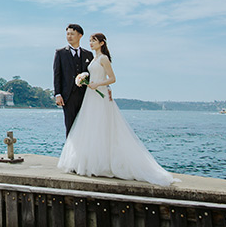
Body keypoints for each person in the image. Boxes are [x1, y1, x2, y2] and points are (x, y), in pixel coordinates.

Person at [57, 33, 178, 186]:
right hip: (91, 96)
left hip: (99, 95)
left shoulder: (103, 58)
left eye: (94, 41)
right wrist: (84, 79)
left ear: (102, 43)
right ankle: (89, 162)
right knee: (90, 127)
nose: (91, 43)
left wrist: (98, 84)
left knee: (102, 127)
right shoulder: (93, 58)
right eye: (90, 41)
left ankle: (103, 163)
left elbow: (112, 78)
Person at [53, 24, 94, 136]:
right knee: (70, 125)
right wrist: (58, 94)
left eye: (72, 34)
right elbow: (57, 74)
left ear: (80, 35)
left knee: (85, 125)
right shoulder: (60, 53)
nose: (69, 36)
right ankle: (70, 147)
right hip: (68, 96)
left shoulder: (88, 54)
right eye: (67, 34)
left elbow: (94, 73)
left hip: (86, 95)